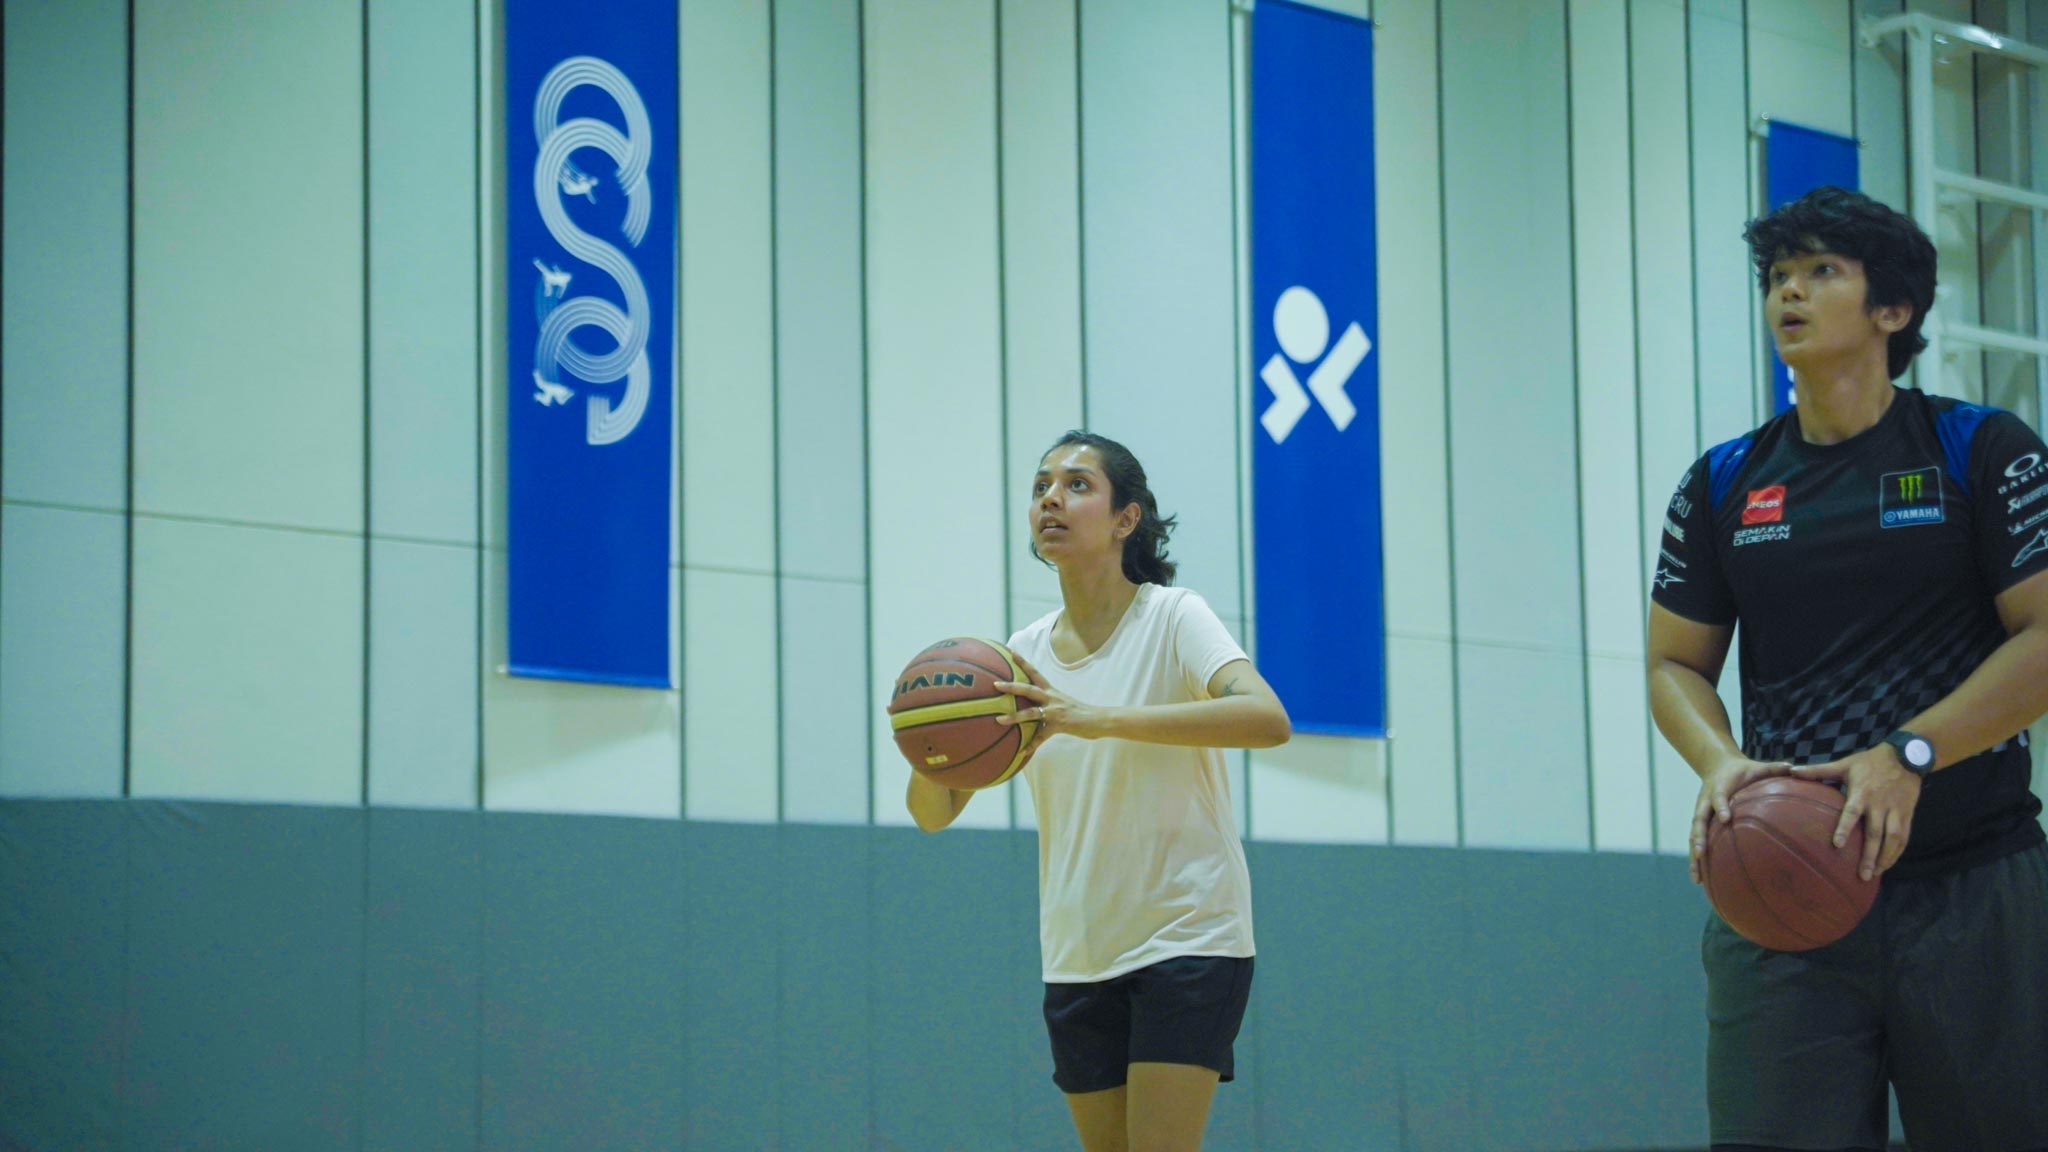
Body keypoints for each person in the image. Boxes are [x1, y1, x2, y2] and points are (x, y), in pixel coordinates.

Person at [1648, 185, 2048, 1149]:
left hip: (1971, 880)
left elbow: (2043, 638)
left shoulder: (1979, 449)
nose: (1788, 292)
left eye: (1821, 271)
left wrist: (1907, 753)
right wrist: (1719, 765)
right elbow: (1672, 663)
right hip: (1781, 898)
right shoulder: (1723, 480)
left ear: (1892, 310)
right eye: (1778, 276)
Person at [906, 430, 1290, 1152]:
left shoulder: (1175, 618)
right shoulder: (1013, 660)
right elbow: (931, 815)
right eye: (1041, 485)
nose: (1051, 497)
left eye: (1078, 484)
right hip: (1079, 949)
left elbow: (1268, 719)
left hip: (1189, 934)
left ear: (1125, 519)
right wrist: (931, 741)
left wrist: (1094, 718)